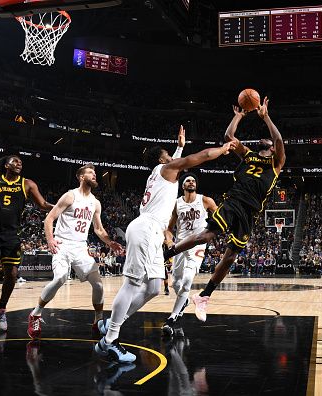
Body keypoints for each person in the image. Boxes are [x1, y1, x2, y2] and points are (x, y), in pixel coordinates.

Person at [94, 125, 235, 363]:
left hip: (152, 232)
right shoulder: (165, 169)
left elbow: (177, 163)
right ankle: (109, 341)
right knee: (131, 285)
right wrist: (222, 149)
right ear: (162, 159)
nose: (172, 157)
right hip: (146, 228)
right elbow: (196, 158)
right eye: (169, 154)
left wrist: (179, 146)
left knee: (154, 288)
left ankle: (111, 324)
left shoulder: (160, 174)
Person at [164, 98, 286, 322]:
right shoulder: (249, 156)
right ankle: (167, 254)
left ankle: (204, 296)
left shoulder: (276, 163)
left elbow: (278, 139)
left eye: (267, 140)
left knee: (230, 257)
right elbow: (229, 138)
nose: (265, 139)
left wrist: (265, 116)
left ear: (270, 147)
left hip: (250, 213)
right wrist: (239, 115)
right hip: (234, 201)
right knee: (207, 235)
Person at [27, 164, 123, 339]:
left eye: (95, 173)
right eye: (90, 173)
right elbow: (49, 219)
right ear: (81, 177)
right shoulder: (70, 196)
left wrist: (110, 242)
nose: (94, 175)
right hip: (63, 244)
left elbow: (99, 230)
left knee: (98, 285)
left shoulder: (95, 203)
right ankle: (36, 313)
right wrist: (50, 239)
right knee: (60, 278)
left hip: (80, 246)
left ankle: (98, 321)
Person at [0, 155, 53, 333]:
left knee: (12, 274)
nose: (19, 164)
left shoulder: (27, 184)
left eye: (21, 162)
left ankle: (1, 310)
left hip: (11, 234)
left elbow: (43, 204)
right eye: (15, 161)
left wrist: (63, 206)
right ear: (6, 165)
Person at [162, 173, 217, 335]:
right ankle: (184, 302)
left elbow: (221, 218)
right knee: (176, 283)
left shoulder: (205, 200)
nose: (191, 182)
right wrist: (169, 241)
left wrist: (212, 232)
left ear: (196, 185)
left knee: (187, 281)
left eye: (193, 180)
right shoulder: (177, 204)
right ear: (183, 186)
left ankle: (172, 318)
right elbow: (169, 229)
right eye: (188, 180)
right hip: (180, 245)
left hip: (197, 245)